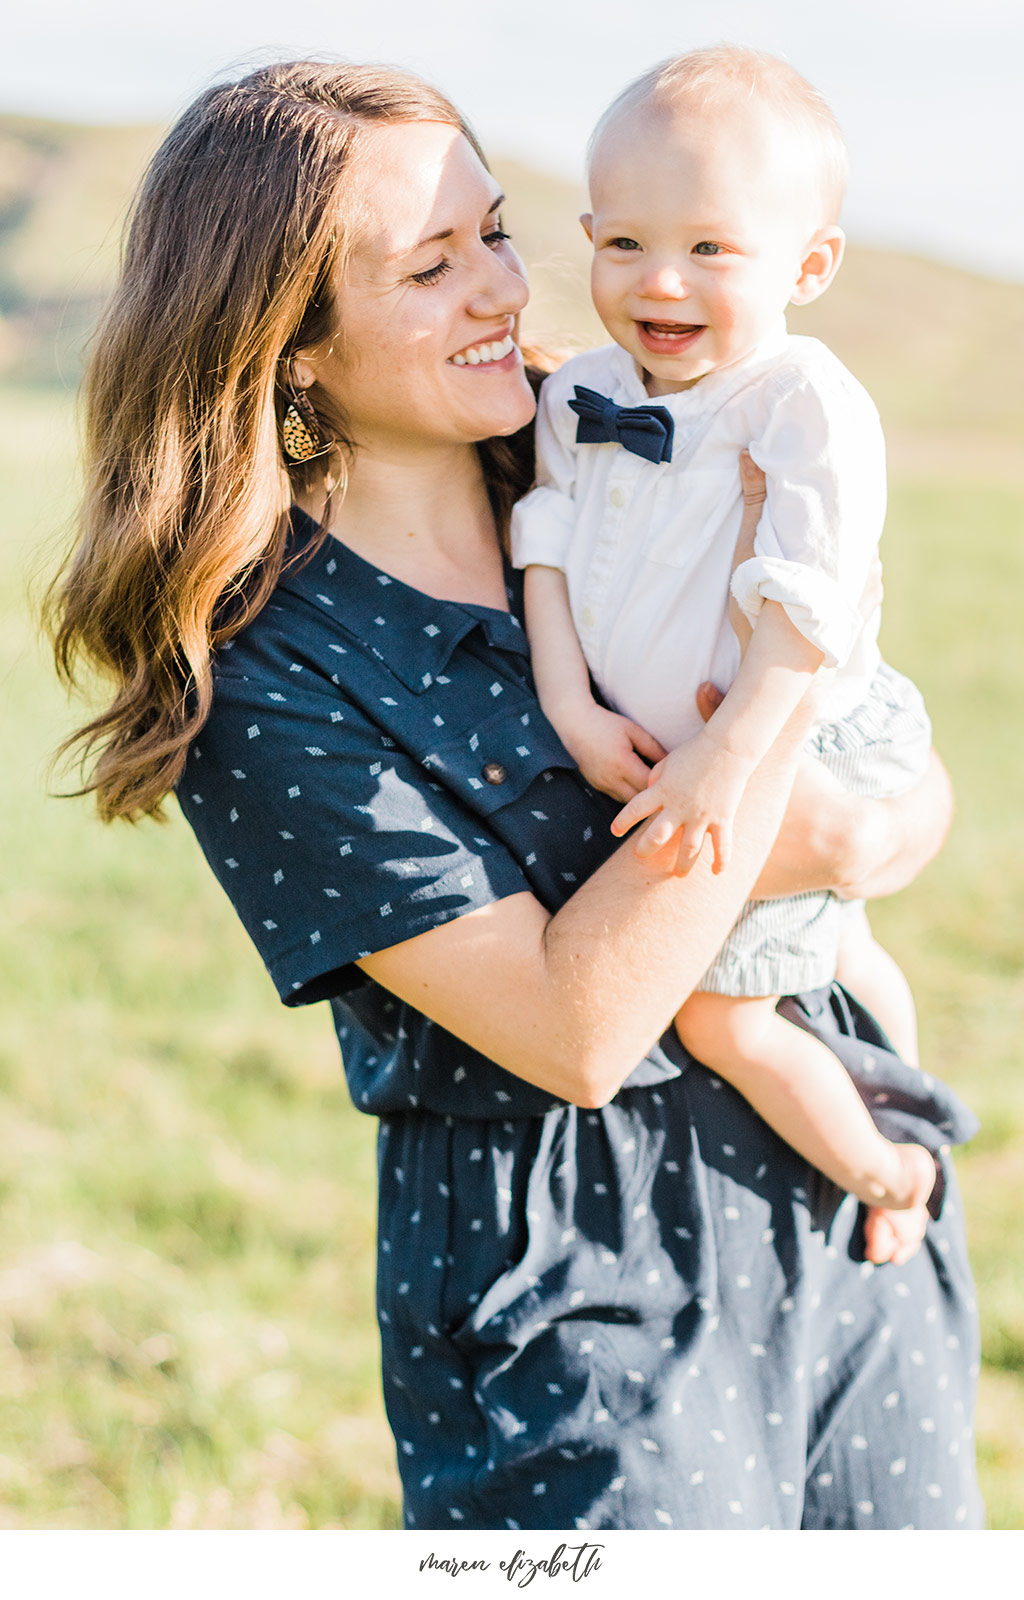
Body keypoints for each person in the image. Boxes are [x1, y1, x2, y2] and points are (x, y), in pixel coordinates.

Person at [48, 60, 982, 1531]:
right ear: (287, 344)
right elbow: (577, 1027)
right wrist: (778, 809)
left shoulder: (629, 420)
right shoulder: (268, 677)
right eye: (430, 267)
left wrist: (863, 824)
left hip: (850, 1188)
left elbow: (889, 765)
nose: (501, 289)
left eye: (495, 233)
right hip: (579, 1291)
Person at [511, 46, 936, 1222]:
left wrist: (728, 761)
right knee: (830, 944)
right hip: (682, 742)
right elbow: (540, 541)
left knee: (720, 1011)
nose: (663, 281)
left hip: (792, 728)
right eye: (625, 243)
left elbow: (811, 602)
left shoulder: (802, 400)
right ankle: (883, 1073)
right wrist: (568, 705)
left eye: (710, 248)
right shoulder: (575, 391)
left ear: (807, 265)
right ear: (589, 232)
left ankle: (890, 1165)